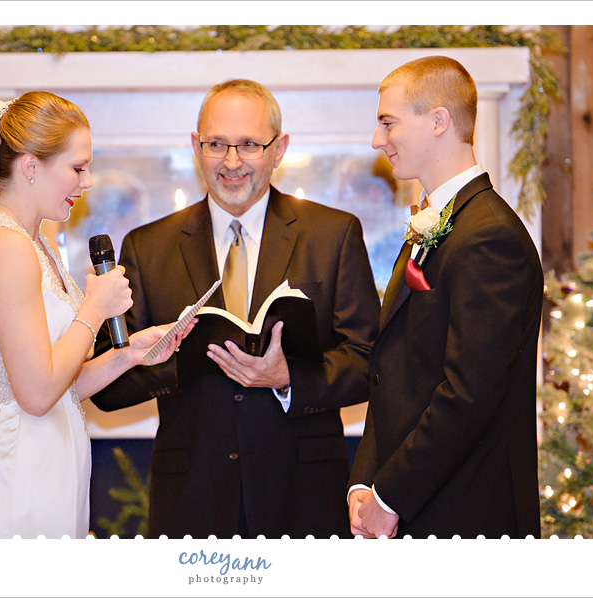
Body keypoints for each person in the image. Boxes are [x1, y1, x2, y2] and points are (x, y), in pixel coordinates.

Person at [91, 79, 381, 539]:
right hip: (192, 499)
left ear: (279, 148)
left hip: (303, 494)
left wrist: (287, 377)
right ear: (195, 146)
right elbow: (106, 388)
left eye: (248, 144)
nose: (231, 162)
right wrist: (178, 362)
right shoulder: (147, 246)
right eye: (216, 145)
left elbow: (368, 362)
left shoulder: (333, 234)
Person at [0, 91, 191, 538]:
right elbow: (36, 395)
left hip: (50, 460)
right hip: (20, 469)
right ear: (31, 166)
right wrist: (95, 307)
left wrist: (130, 354)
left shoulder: (36, 244)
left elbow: (60, 386)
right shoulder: (4, 245)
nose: (88, 181)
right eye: (77, 168)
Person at [348, 56, 543, 539]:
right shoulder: (436, 222)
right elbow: (392, 370)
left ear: (439, 121)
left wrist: (389, 497)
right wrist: (364, 483)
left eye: (388, 122)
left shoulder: (488, 236)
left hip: (467, 513)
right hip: (422, 505)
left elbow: (469, 394)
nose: (377, 140)